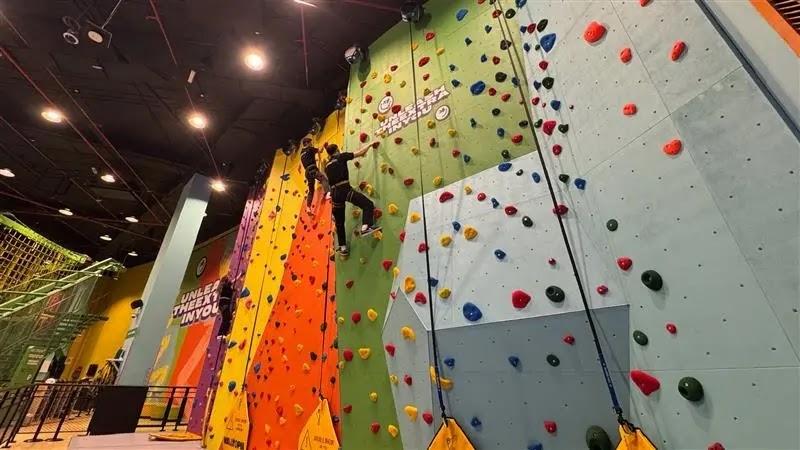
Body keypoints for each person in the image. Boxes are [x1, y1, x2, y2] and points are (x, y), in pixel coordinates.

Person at [324, 141, 381, 256]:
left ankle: (343, 247)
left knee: (340, 223)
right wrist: (370, 144)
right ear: (337, 150)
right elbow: (360, 153)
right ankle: (366, 226)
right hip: (344, 189)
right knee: (367, 204)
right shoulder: (341, 157)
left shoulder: (327, 166)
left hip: (335, 194)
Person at [300, 137, 330, 214]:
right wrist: (324, 145)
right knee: (323, 179)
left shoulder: (301, 153)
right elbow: (320, 150)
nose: (311, 143)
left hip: (307, 172)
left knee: (311, 190)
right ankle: (328, 194)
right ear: (306, 143)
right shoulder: (310, 149)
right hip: (312, 169)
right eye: (310, 142)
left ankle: (308, 208)